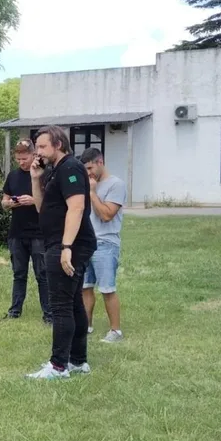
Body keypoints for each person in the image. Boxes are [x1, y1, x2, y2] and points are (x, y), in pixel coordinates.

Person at [25, 125, 97, 380]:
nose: (38, 152)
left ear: (58, 144)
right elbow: (43, 208)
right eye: (37, 147)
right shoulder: (55, 171)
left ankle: (58, 366)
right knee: (74, 302)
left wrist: (66, 247)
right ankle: (78, 361)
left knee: (61, 305)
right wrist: (36, 179)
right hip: (61, 243)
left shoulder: (71, 167)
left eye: (43, 146)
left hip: (69, 245)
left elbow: (76, 208)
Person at [1, 137, 51, 324]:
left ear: (33, 154)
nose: (22, 162)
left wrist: (33, 200)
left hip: (38, 232)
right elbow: (3, 202)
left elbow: (51, 201)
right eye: (19, 159)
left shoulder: (42, 174)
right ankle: (15, 311)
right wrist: (10, 203)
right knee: (19, 274)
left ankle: (49, 314)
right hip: (17, 233)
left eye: (25, 158)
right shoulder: (12, 176)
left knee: (42, 275)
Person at [80, 147, 126, 343]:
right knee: (85, 287)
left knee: (107, 288)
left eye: (90, 167)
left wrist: (91, 192)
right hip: (86, 243)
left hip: (106, 243)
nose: (88, 173)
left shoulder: (116, 184)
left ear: (100, 162)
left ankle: (115, 331)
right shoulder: (86, 183)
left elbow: (106, 215)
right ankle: (85, 326)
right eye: (85, 169)